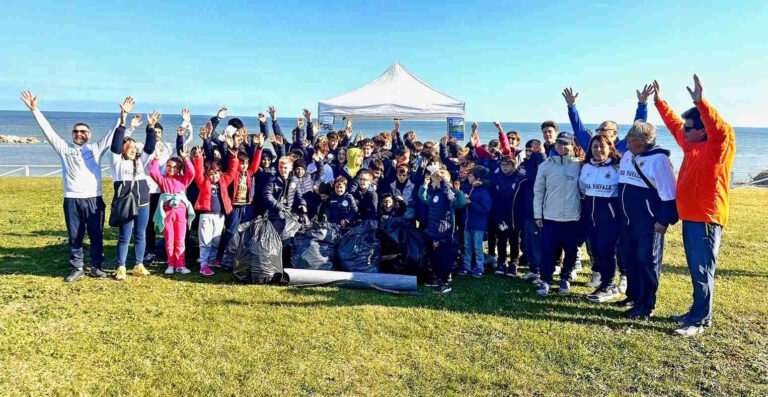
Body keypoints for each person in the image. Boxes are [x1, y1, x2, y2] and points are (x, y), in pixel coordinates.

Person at [652, 76, 735, 337]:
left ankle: (699, 320)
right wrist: (659, 102)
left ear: (702, 130)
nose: (684, 132)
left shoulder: (718, 147)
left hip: (706, 219)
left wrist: (701, 103)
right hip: (690, 217)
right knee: (695, 268)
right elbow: (675, 124)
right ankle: (697, 312)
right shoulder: (692, 145)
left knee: (702, 269)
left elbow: (719, 128)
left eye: (691, 128)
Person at [20, 91, 128, 282]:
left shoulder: (96, 148)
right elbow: (48, 131)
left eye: (83, 131)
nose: (79, 134)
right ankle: (77, 267)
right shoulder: (64, 148)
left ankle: (96, 266)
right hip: (72, 198)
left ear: (89, 134)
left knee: (96, 235)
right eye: (76, 131)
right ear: (72, 134)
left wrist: (123, 116)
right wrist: (35, 110)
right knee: (75, 236)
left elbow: (112, 132)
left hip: (94, 199)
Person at [617, 121, 678, 318]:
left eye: (631, 139)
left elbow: (669, 195)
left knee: (647, 262)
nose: (626, 142)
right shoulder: (628, 155)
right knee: (630, 259)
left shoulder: (659, 160)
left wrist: (663, 220)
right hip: (627, 220)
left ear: (643, 141)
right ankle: (633, 296)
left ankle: (646, 305)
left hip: (648, 222)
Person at [109, 109, 158, 281]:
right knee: (125, 236)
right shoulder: (116, 163)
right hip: (125, 204)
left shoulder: (140, 161)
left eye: (134, 147)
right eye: (128, 147)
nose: (132, 149)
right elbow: (115, 145)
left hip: (143, 202)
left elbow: (150, 147)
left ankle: (139, 264)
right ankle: (121, 266)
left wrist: (150, 128)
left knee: (141, 234)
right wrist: (123, 123)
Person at [533, 132, 583, 296]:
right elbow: (539, 192)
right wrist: (538, 215)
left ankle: (565, 279)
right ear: (555, 145)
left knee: (571, 251)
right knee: (548, 251)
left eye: (566, 144)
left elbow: (583, 189)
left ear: (571, 146)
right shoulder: (545, 166)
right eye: (560, 143)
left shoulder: (577, 165)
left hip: (572, 217)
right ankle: (545, 280)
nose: (563, 147)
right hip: (550, 217)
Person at [579, 135, 622, 302]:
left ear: (609, 147)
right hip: (590, 214)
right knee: (596, 250)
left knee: (608, 251)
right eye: (594, 147)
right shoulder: (586, 167)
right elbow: (582, 188)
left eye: (601, 146)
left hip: (609, 215)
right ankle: (604, 283)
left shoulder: (617, 167)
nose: (598, 150)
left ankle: (609, 286)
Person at [148, 146, 196, 275]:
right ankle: (170, 264)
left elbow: (192, 172)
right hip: (167, 212)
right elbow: (152, 171)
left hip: (180, 213)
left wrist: (185, 158)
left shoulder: (183, 180)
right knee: (169, 240)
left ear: (179, 169)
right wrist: (156, 158)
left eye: (175, 167)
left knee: (180, 240)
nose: (171, 169)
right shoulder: (163, 180)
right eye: (169, 166)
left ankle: (180, 265)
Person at [561, 85, 652, 153]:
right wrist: (571, 106)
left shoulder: (625, 146)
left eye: (603, 129)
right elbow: (579, 130)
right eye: (598, 130)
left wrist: (642, 104)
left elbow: (638, 128)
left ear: (615, 133)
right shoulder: (592, 146)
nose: (599, 132)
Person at [192, 148, 239, 276]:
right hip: (206, 216)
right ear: (207, 175)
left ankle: (212, 259)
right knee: (205, 240)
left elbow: (232, 172)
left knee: (216, 240)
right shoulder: (203, 182)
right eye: (211, 174)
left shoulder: (223, 182)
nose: (214, 176)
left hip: (219, 216)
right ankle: (203, 264)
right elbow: (198, 173)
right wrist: (199, 158)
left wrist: (234, 158)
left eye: (216, 173)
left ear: (220, 173)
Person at [419, 169, 466, 293]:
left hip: (444, 232)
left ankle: (445, 282)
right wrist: (425, 185)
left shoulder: (448, 194)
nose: (432, 183)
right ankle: (437, 278)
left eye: (435, 181)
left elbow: (459, 202)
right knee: (435, 257)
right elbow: (424, 198)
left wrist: (448, 185)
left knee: (444, 258)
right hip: (433, 230)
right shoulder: (436, 193)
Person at [491, 155, 531, 277]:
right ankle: (501, 262)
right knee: (501, 240)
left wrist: (522, 216)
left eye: (508, 165)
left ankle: (513, 264)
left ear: (514, 166)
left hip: (515, 216)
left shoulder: (521, 179)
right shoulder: (497, 178)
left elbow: (525, 199)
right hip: (501, 215)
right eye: (503, 164)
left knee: (515, 241)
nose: (505, 167)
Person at [458, 166, 493, 278]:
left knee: (478, 248)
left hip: (478, 225)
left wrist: (470, 203)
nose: (469, 177)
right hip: (467, 224)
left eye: (471, 176)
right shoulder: (468, 189)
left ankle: (479, 268)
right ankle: (467, 266)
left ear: (477, 178)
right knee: (467, 247)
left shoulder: (484, 192)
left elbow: (485, 209)